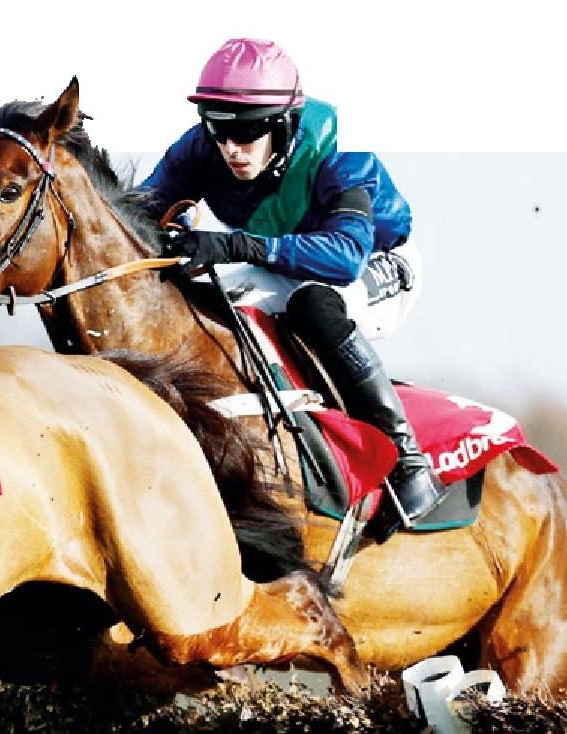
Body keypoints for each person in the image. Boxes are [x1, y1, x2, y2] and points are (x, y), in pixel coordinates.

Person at [139, 37, 445, 527]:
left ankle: (407, 463)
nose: (230, 149)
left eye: (249, 131)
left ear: (284, 122)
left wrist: (236, 246)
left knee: (312, 304)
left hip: (379, 261)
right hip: (288, 260)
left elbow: (345, 258)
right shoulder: (200, 150)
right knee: (200, 297)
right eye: (218, 129)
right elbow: (139, 216)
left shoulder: (341, 152)